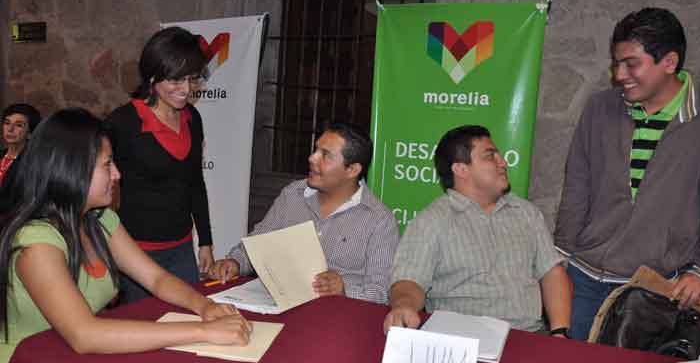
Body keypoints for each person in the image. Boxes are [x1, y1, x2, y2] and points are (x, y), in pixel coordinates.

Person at [0, 108, 251, 363]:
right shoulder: (36, 242)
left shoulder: (101, 220)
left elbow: (156, 278)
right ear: (72, 169)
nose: (117, 174)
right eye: (107, 164)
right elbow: (84, 334)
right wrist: (203, 331)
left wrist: (204, 306)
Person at [555, 8, 700, 341]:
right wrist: (558, 258)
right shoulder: (600, 107)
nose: (619, 75)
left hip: (656, 288)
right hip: (584, 278)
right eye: (616, 63)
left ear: (669, 62)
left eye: (631, 64)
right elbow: (577, 186)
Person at [384, 125, 572, 335]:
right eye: (490, 156)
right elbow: (409, 281)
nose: (503, 162)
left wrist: (559, 332)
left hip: (528, 334)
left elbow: (552, 272)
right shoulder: (432, 221)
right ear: (461, 169)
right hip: (461, 339)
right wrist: (403, 306)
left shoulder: (526, 213)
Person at [209, 124, 399, 305]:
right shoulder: (293, 194)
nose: (312, 158)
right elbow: (258, 244)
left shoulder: (379, 220)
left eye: (325, 155)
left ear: (352, 170)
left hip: (338, 316)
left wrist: (345, 290)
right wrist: (235, 262)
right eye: (316, 150)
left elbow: (381, 292)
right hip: (279, 304)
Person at [106, 26, 214, 304]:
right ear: (153, 76)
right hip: (136, 255)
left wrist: (205, 241)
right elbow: (98, 187)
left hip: (182, 249)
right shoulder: (123, 123)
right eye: (176, 80)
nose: (186, 90)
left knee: (189, 319)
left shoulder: (193, 118)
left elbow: (195, 183)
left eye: (192, 79)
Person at [1, 103, 41, 185]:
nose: (10, 129)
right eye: (7, 123)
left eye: (19, 125)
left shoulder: (33, 163)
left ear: (30, 133)